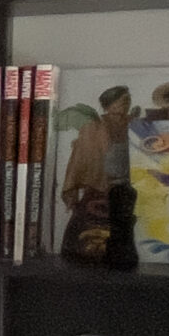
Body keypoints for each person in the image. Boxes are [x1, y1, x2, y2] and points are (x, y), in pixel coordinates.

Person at [58, 85, 135, 260]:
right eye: (122, 101)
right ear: (109, 105)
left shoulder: (135, 124)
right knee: (87, 229)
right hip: (98, 189)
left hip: (126, 190)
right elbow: (78, 159)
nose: (126, 104)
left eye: (128, 101)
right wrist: (71, 189)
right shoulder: (92, 129)